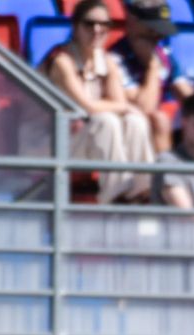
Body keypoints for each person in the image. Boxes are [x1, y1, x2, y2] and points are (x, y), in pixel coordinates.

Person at [41, 0, 157, 203]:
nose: (97, 30)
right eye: (89, 24)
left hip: (80, 138)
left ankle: (142, 191)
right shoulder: (62, 61)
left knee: (135, 122)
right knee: (106, 121)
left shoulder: (107, 61)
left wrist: (126, 108)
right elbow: (88, 106)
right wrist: (126, 106)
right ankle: (115, 195)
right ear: (75, 27)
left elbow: (119, 103)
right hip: (49, 143)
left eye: (104, 25)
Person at [109, 1, 190, 154]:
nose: (157, 36)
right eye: (152, 28)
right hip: (128, 130)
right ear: (133, 21)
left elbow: (187, 95)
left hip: (162, 129)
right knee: (158, 119)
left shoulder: (163, 53)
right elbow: (145, 108)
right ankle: (166, 176)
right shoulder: (115, 57)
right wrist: (153, 66)